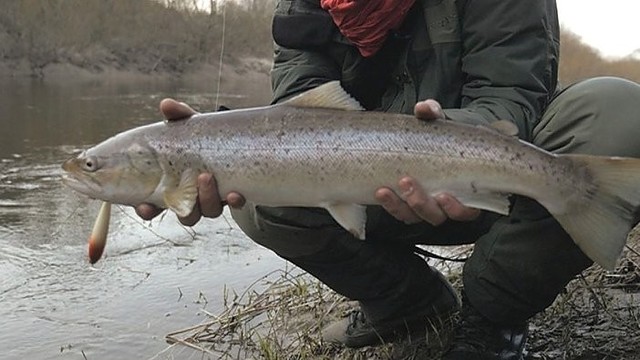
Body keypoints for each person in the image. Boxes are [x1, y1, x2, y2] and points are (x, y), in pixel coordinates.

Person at [137, 0, 640, 358]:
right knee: (255, 196)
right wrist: (215, 146)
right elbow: (300, 111)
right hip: (368, 187)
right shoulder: (306, 7)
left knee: (617, 111)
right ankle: (410, 307)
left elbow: (511, 99)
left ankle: (491, 318)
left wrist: (446, 152)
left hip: (491, 181)